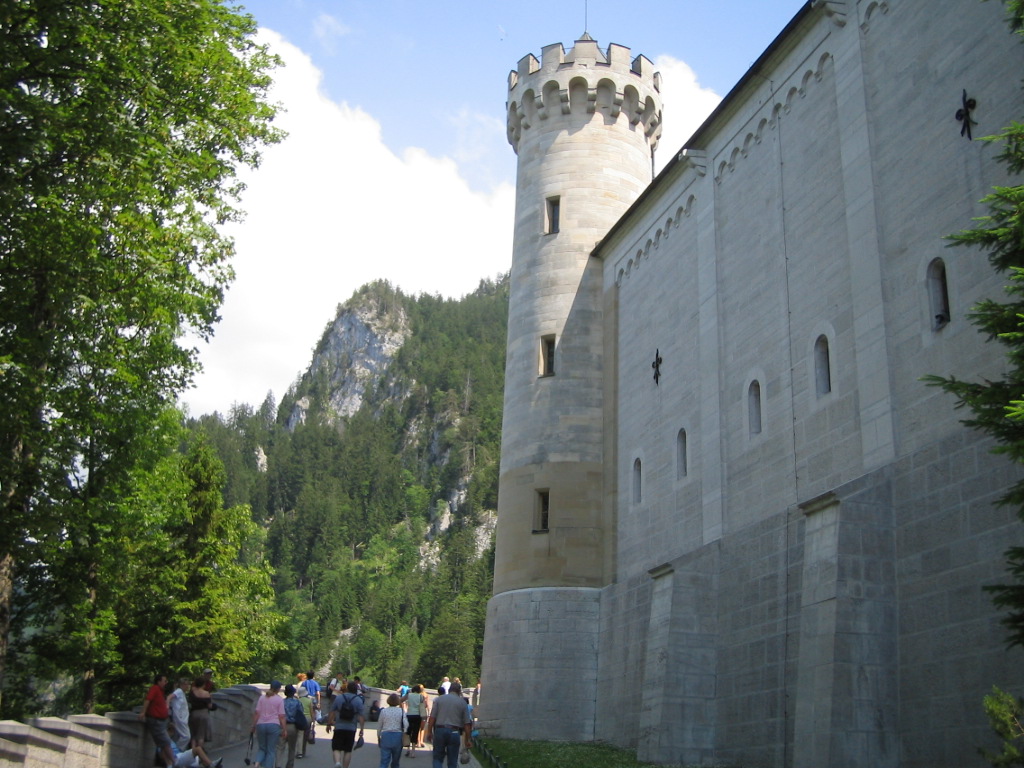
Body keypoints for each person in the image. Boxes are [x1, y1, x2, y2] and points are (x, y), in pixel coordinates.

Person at [424, 681, 472, 768]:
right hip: (454, 732)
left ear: (449, 690)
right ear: (459, 691)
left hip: (440, 730)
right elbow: (467, 724)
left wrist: (429, 732)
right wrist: (467, 740)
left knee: (437, 758)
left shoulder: (439, 699)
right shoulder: (462, 703)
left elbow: (432, 718)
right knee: (452, 760)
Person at [140, 674, 176, 768]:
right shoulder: (155, 688)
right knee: (166, 742)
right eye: (164, 681)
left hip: (162, 720)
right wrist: (143, 712)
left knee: (162, 744)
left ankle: (169, 764)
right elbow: (148, 699)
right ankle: (175, 761)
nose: (166, 683)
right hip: (156, 720)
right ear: (159, 681)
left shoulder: (161, 691)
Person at [326, 680, 365, 768]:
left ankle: (337, 762)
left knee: (336, 748)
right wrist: (362, 729)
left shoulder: (339, 698)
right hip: (351, 728)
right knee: (348, 750)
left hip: (339, 727)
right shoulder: (358, 700)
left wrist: (329, 724)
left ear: (347, 689)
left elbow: (332, 711)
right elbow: (361, 717)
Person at [251, 680, 286, 768]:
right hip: (274, 725)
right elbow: (281, 716)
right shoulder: (279, 700)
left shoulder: (262, 698)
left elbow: (257, 713)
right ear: (278, 689)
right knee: (271, 750)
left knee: (262, 748)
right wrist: (284, 729)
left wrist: (253, 726)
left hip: (260, 724)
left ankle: (256, 764)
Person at [378, 693, 409, 768]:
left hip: (386, 735)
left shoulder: (384, 711)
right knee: (396, 760)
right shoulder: (401, 711)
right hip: (398, 735)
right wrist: (404, 732)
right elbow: (406, 724)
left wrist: (378, 736)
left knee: (384, 760)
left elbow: (379, 725)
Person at [188, 677, 213, 752]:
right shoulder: (206, 693)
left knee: (193, 734)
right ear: (203, 684)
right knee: (201, 735)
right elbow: (210, 706)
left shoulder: (193, 692)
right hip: (203, 714)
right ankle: (199, 752)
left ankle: (192, 751)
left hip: (194, 713)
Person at [283, 684, 305, 768]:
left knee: (280, 748)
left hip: (282, 725)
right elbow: (301, 713)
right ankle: (290, 765)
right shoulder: (297, 702)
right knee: (292, 748)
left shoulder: (282, 702)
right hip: (293, 726)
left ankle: (278, 764)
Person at [403, 684, 428, 757]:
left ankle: (408, 748)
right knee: (415, 732)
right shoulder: (421, 696)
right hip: (417, 716)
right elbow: (424, 705)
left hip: (409, 715)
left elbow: (401, 700)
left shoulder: (409, 695)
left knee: (408, 731)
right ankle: (413, 751)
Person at [168, 677, 192, 751]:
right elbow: (170, 697)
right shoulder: (179, 691)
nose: (188, 686)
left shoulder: (182, 693)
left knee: (178, 736)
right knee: (186, 736)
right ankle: (177, 750)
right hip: (180, 718)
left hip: (182, 718)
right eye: (186, 684)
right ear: (182, 685)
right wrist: (167, 705)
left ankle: (174, 749)